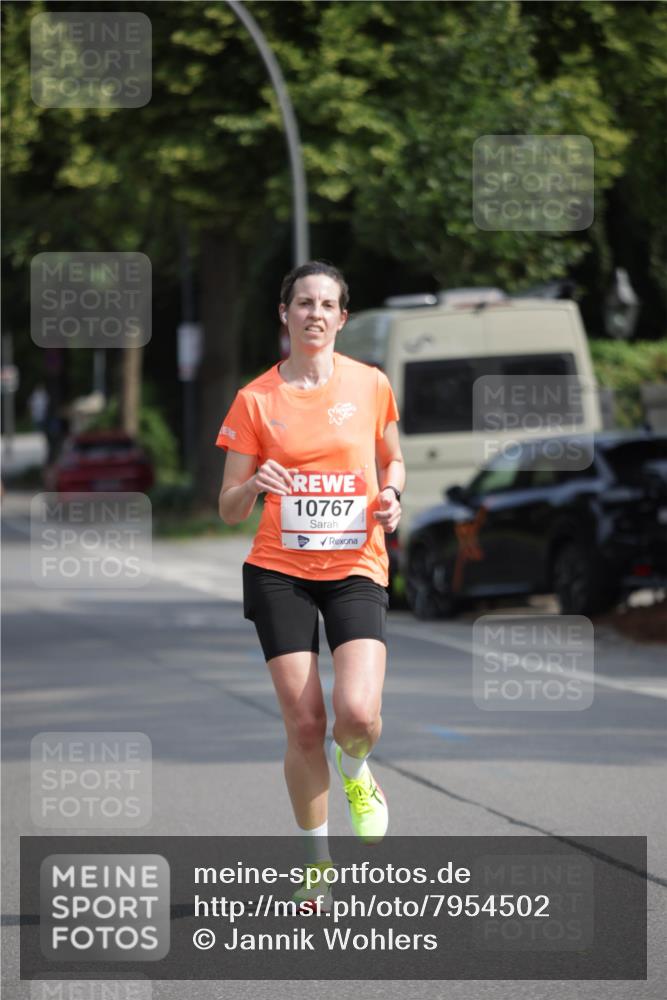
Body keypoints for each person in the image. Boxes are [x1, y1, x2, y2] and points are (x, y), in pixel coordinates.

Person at [217, 261, 404, 908]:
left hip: (356, 567)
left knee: (357, 715)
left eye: (327, 305)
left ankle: (356, 768)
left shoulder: (371, 384)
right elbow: (228, 509)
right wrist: (253, 484)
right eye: (303, 303)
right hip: (280, 572)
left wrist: (392, 496)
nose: (314, 314)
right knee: (304, 724)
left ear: (342, 318)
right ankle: (316, 864)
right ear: (285, 313)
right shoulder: (255, 399)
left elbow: (393, 459)